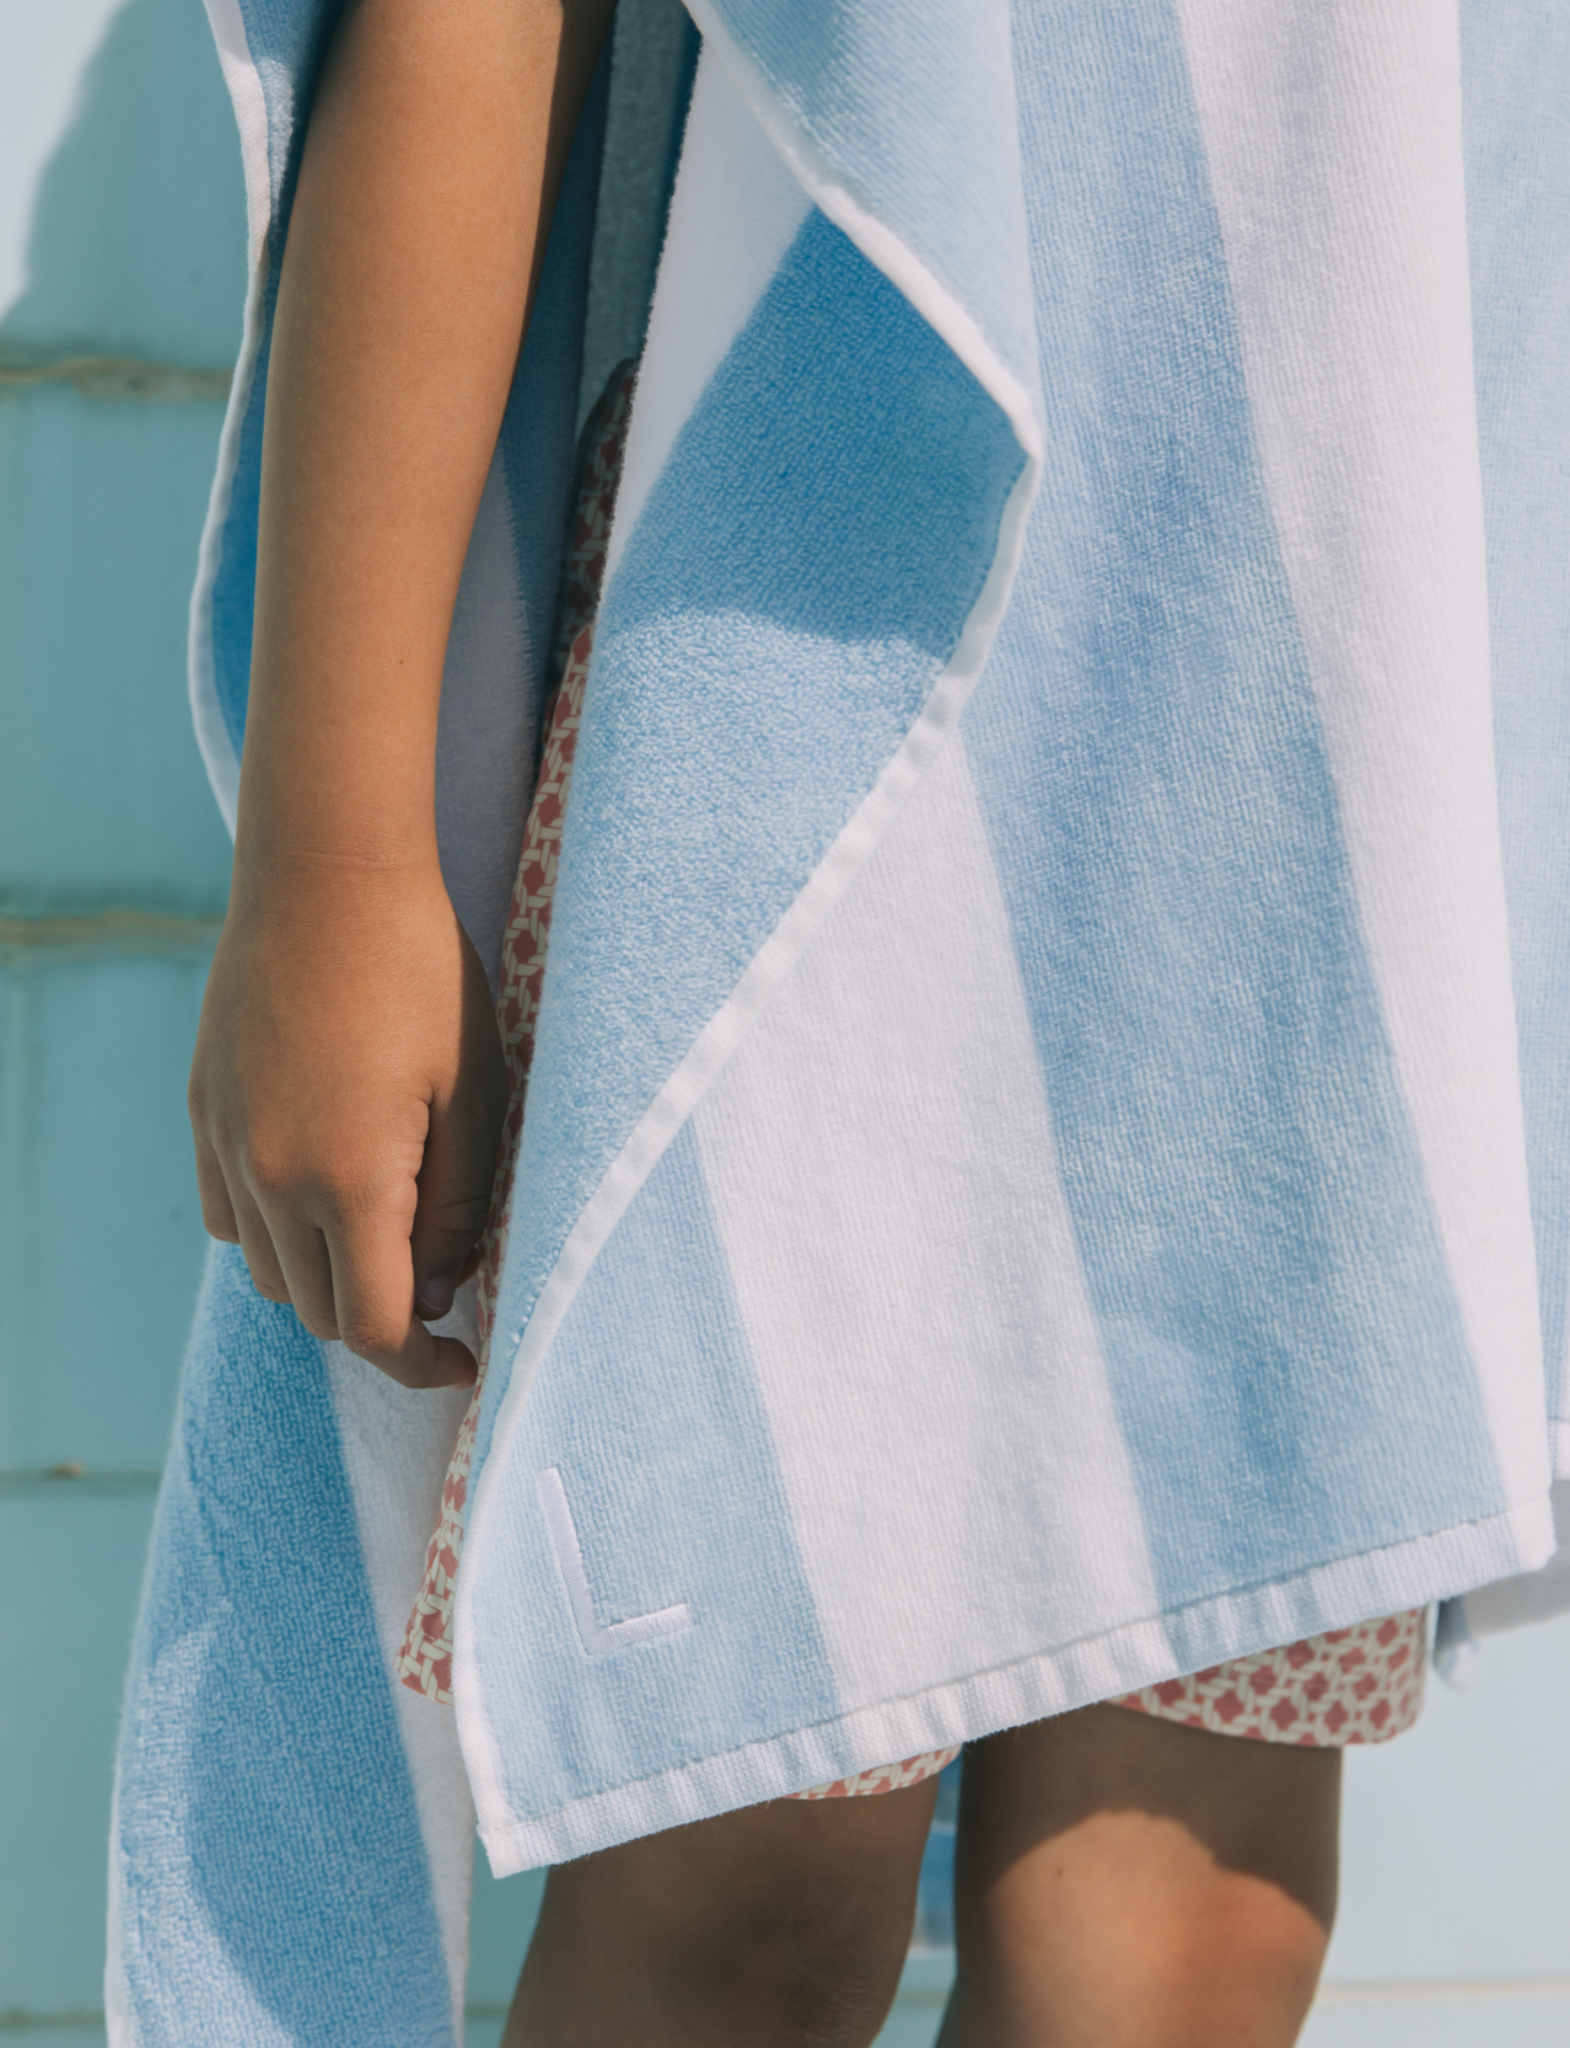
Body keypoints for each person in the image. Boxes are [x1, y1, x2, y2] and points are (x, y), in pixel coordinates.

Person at [178, 3, 1447, 2043]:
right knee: (739, 1843)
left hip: (1326, 753)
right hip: (821, 714)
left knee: (1180, 1913)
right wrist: (334, 860)